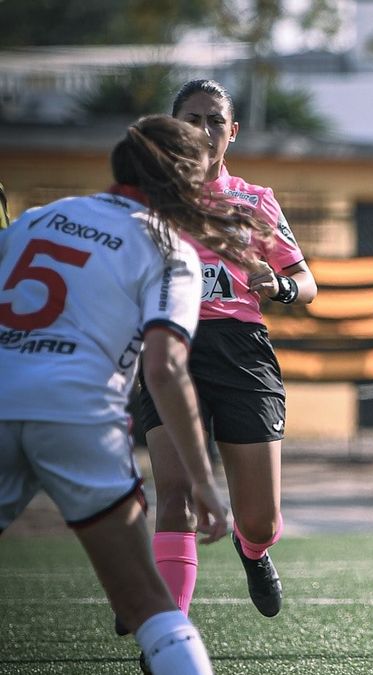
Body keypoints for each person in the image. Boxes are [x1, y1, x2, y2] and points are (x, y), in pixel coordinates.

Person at [0, 114, 266, 674]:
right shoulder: (172, 249)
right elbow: (166, 369)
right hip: (77, 415)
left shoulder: (38, 219)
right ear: (186, 183)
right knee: (151, 610)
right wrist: (202, 482)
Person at [135, 79, 317, 625]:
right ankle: (170, 635)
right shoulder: (147, 203)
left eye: (215, 120)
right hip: (170, 348)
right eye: (191, 119)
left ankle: (254, 549)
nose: (204, 130)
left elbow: (305, 283)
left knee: (260, 518)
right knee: (176, 492)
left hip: (241, 350)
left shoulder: (255, 201)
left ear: (232, 132)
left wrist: (278, 286)